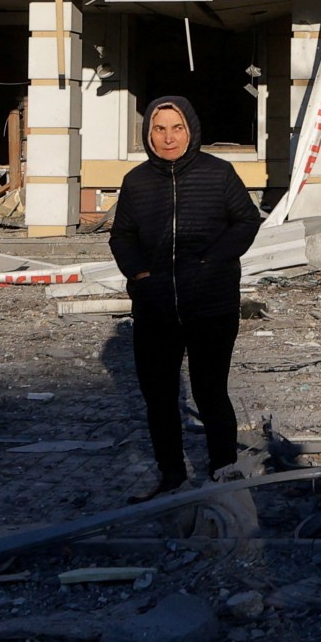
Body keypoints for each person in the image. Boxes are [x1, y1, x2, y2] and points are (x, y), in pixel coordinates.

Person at [109, 94, 262, 501]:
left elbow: (246, 219)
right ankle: (171, 475)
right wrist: (139, 273)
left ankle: (223, 476)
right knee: (159, 398)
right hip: (155, 307)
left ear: (190, 130)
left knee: (210, 393)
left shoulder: (218, 173)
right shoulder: (137, 182)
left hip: (211, 305)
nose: (168, 138)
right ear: (148, 134)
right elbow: (122, 235)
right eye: (159, 129)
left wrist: (213, 259)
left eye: (176, 128)